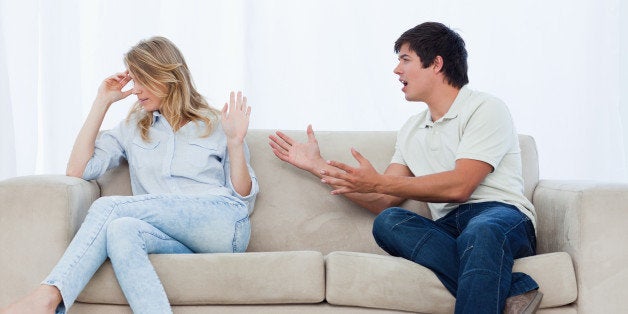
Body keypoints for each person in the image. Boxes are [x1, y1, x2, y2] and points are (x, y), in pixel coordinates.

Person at [269, 22, 541, 313]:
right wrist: (317, 165)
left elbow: (461, 186)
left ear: (436, 63)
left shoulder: (485, 108)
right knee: (389, 222)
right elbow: (383, 200)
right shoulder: (411, 130)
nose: (397, 70)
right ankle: (515, 287)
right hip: (451, 226)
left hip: (500, 216)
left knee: (481, 231)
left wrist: (378, 182)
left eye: (405, 59)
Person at [1, 36, 258, 314]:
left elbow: (242, 198)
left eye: (141, 79)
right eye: (133, 80)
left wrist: (235, 143)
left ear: (165, 75)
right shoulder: (134, 128)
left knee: (111, 207)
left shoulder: (217, 122)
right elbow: (77, 170)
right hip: (173, 237)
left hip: (222, 225)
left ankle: (48, 298)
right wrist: (102, 102)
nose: (135, 90)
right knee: (121, 229)